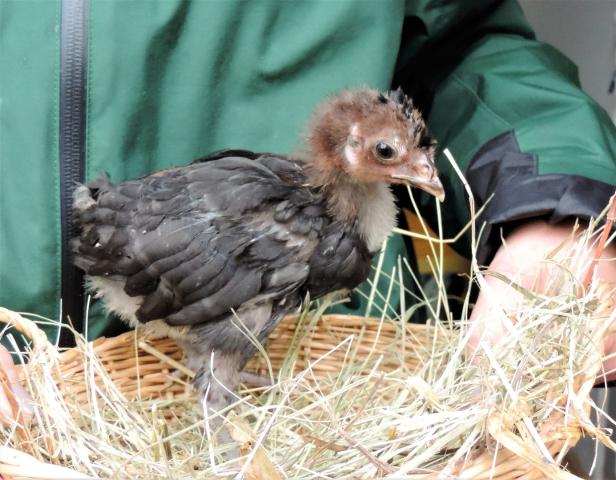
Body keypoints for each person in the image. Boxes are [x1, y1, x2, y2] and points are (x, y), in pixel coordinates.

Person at [1, 0, 616, 420]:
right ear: (347, 149)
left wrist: (556, 207)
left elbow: (463, 44)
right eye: (387, 154)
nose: (419, 168)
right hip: (28, 399)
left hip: (334, 392)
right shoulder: (274, 241)